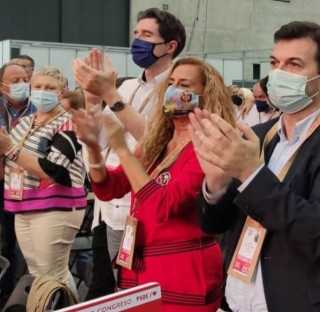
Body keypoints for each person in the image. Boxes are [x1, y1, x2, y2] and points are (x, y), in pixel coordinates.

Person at [192, 21, 320, 312]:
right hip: (238, 300)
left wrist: (251, 174)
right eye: (275, 62)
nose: (277, 73)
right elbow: (214, 225)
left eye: (294, 64)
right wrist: (215, 184)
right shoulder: (260, 136)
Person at [73, 57, 232, 311]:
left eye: (184, 84)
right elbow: (110, 188)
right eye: (171, 82)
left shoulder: (208, 147)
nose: (174, 89)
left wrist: (121, 147)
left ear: (206, 95)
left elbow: (162, 206)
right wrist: (93, 148)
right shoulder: (159, 141)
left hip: (183, 272)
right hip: (139, 265)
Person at [77, 8, 186, 285]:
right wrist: (92, 101)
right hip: (110, 203)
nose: (137, 41)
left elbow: (160, 141)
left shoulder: (179, 90)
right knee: (117, 288)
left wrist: (109, 94)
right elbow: (100, 143)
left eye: (147, 35)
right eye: (136, 34)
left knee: (147, 287)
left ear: (170, 46)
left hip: (148, 203)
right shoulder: (127, 88)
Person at [0, 66, 85, 298]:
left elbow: (54, 170)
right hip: (22, 205)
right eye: (38, 87)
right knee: (37, 273)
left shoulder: (71, 123)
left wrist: (10, 149)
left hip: (57, 207)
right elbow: (7, 163)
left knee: (53, 274)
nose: (42, 92)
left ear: (62, 92)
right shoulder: (23, 124)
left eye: (50, 88)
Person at [0, 63, 37, 298]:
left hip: (28, 182)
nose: (22, 84)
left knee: (22, 245)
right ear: (2, 86)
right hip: (1, 180)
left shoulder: (39, 109)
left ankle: (19, 295)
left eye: (25, 79)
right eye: (15, 81)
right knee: (4, 243)